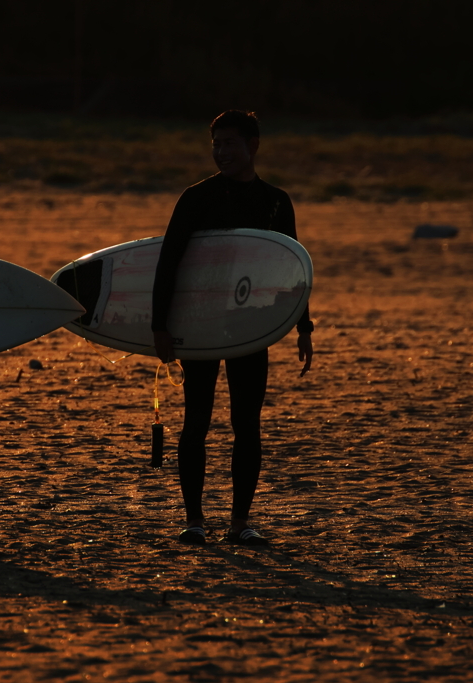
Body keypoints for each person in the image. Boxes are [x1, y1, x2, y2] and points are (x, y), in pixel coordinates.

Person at [152, 110, 314, 546]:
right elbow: (169, 262)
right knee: (196, 421)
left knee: (247, 423)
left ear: (253, 146)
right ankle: (194, 521)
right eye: (216, 144)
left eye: (230, 144)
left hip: (249, 328)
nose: (221, 152)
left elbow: (291, 270)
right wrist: (160, 326)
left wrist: (303, 326)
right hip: (201, 325)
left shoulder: (275, 201)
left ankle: (240, 522)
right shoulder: (196, 197)